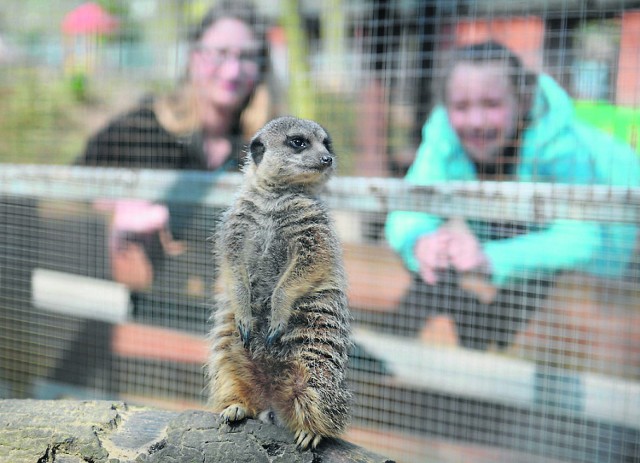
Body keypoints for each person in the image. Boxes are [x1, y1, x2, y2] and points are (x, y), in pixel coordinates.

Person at [384, 40, 639, 351]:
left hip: (622, 253)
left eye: (492, 104)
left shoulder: (559, 142)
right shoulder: (443, 133)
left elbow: (583, 239)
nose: (476, 122)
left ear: (522, 99)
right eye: (461, 107)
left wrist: (489, 260)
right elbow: (406, 209)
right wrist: (420, 242)